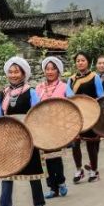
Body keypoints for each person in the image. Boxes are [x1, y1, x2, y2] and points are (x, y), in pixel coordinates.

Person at [0, 56, 45, 206]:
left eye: (17, 72)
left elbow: (37, 113)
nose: (13, 74)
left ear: (23, 74)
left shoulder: (30, 92)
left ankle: (38, 201)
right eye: (11, 71)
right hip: (9, 134)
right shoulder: (3, 93)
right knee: (7, 172)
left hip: (27, 133)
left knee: (33, 168)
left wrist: (34, 132)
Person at [36, 56, 74, 198]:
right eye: (47, 69)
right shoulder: (39, 88)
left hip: (57, 126)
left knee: (55, 156)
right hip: (42, 127)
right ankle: (52, 187)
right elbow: (34, 107)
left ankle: (61, 182)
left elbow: (72, 106)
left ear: (58, 71)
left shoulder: (64, 87)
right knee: (45, 158)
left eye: (53, 69)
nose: (50, 71)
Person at [68, 51, 104, 183]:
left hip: (91, 113)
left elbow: (101, 96)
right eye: (78, 61)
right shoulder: (71, 79)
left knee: (91, 142)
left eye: (82, 60)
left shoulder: (94, 77)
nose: (80, 63)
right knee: (75, 143)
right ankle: (79, 169)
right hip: (77, 114)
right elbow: (69, 97)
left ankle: (94, 171)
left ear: (88, 62)